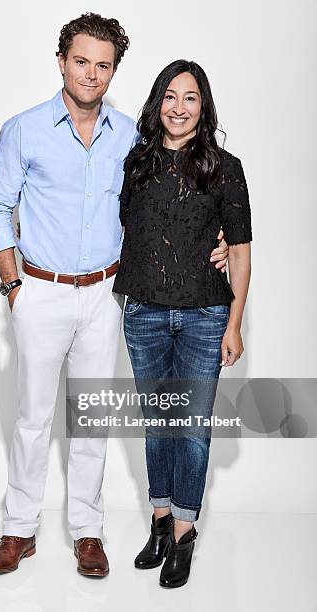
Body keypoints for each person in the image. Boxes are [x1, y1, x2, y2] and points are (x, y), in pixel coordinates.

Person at [0, 13, 229, 577]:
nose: (91, 74)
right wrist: (13, 284)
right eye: (82, 61)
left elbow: (173, 195)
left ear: (114, 70)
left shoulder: (131, 137)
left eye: (104, 64)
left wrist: (219, 238)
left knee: (89, 418)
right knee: (32, 417)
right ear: (62, 61)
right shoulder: (23, 129)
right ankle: (19, 529)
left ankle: (87, 532)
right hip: (39, 290)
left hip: (105, 295)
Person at [113, 59, 252, 588]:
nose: (178, 107)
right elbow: (126, 228)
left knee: (191, 429)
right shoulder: (136, 163)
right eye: (170, 96)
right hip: (144, 312)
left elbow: (238, 250)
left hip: (204, 315)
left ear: (203, 106)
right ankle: (159, 520)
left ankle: (186, 531)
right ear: (157, 103)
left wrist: (234, 323)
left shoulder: (225, 166)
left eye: (190, 98)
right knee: (157, 427)